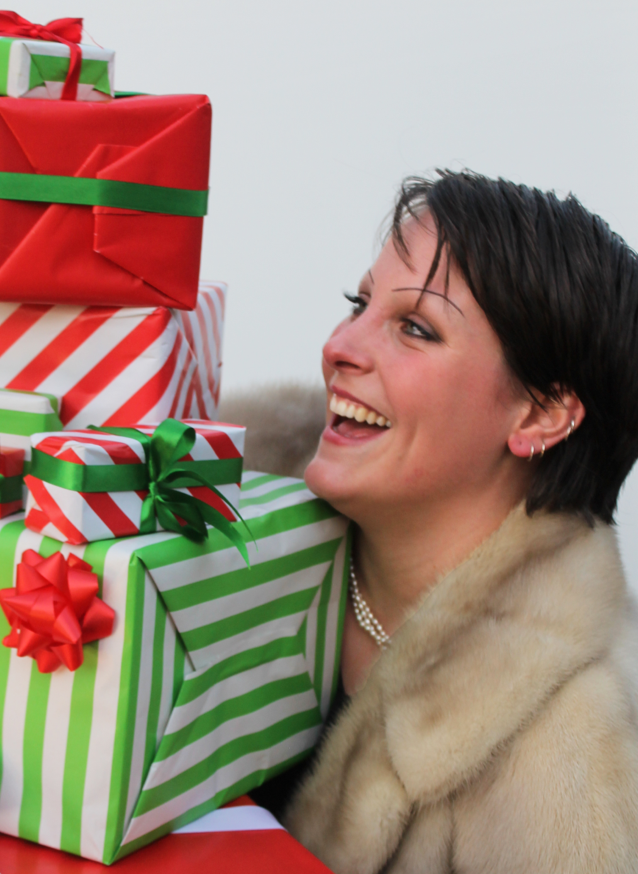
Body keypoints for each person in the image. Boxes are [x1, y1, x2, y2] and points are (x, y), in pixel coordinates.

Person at [227, 170, 638, 872]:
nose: (340, 347)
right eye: (358, 304)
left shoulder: (572, 752)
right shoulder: (205, 540)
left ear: (540, 414)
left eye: (415, 328)